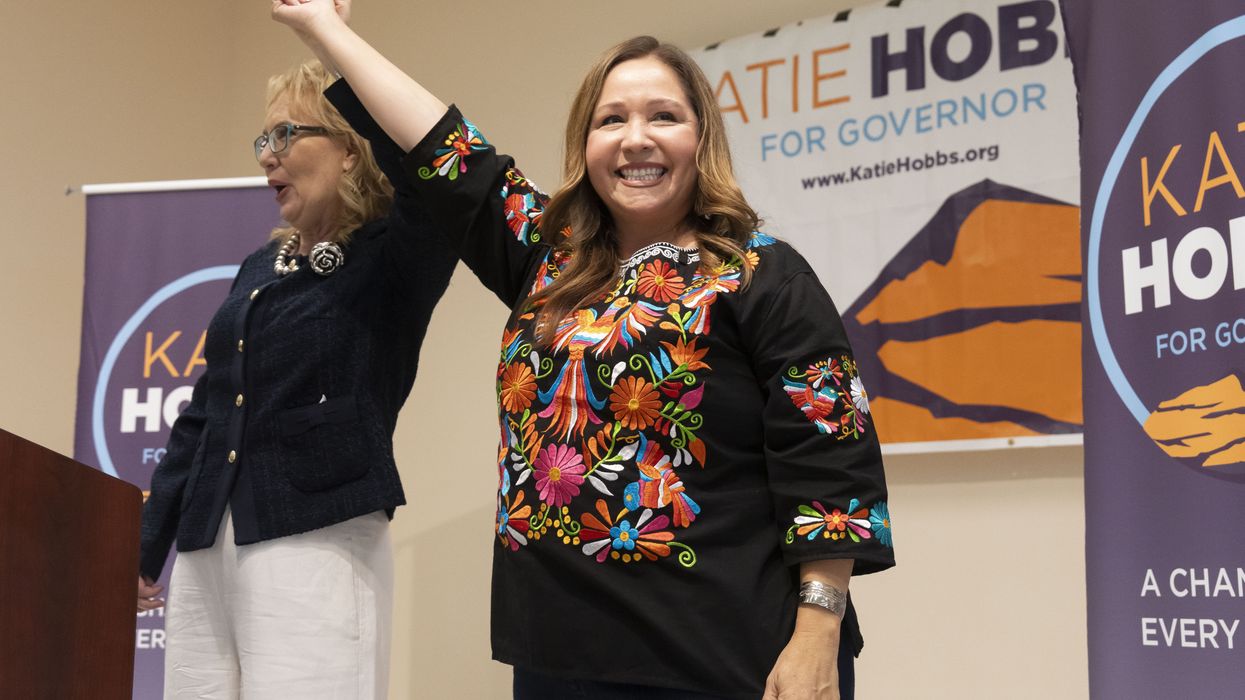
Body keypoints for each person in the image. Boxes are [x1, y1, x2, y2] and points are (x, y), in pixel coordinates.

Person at [275, 1, 896, 698]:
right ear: (586, 143)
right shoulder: (547, 261)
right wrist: (322, 28)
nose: (636, 139)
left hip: (729, 652)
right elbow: (443, 149)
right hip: (557, 651)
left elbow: (829, 455)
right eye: (611, 120)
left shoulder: (761, 274)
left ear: (701, 139)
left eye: (663, 116)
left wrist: (819, 631)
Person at [135, 53, 457, 698]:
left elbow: (434, 175)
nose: (266, 156)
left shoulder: (394, 254)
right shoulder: (260, 266)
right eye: (264, 138)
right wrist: (149, 546)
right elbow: (205, 411)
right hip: (207, 541)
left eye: (287, 134)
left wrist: (334, 44)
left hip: (316, 532)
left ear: (349, 150)